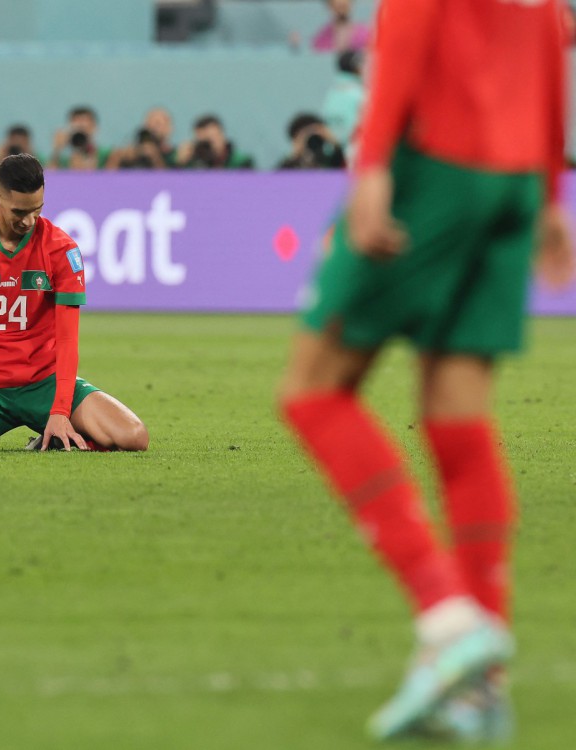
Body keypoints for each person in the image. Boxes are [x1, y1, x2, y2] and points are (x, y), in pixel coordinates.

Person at [278, 0, 571, 742]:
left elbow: (408, 16)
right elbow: (551, 24)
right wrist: (548, 192)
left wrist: (372, 162)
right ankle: (480, 691)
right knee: (457, 415)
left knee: (312, 392)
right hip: (512, 172)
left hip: (436, 157)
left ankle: (446, 617)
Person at [0, 154, 149, 453]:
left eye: (37, 210)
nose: (29, 221)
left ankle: (56, 440)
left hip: (44, 383)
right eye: (19, 212)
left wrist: (60, 411)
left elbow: (67, 340)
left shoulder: (62, 250)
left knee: (134, 436)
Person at [175, 114, 254, 169]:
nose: (210, 146)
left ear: (221, 134)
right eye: (204, 143)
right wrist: (180, 164)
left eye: (213, 138)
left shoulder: (241, 162)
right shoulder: (194, 164)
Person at [48, 105, 110, 170]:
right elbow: (48, 175)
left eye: (84, 129)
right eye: (77, 130)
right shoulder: (64, 160)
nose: (80, 137)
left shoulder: (106, 155)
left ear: (94, 128)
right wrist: (57, 150)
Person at [277, 113, 345, 170]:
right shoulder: (291, 168)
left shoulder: (335, 155)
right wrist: (295, 157)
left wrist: (335, 143)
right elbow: (275, 183)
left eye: (316, 131)